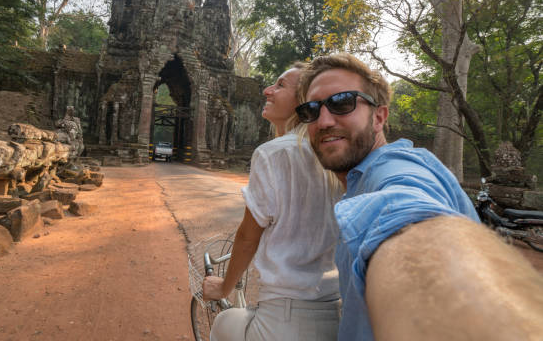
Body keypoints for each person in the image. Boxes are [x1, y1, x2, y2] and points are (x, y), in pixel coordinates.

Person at [296, 53, 543, 340]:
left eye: (342, 103)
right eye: (310, 110)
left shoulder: (394, 169)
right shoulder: (359, 178)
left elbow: (407, 213)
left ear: (378, 117)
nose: (323, 120)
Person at [202, 63, 342, 341]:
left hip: (285, 319)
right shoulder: (339, 151)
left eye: (279, 85)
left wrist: (223, 288)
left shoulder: (273, 152)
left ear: (304, 101)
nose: (267, 90)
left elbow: (247, 238)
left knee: (223, 323)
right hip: (336, 312)